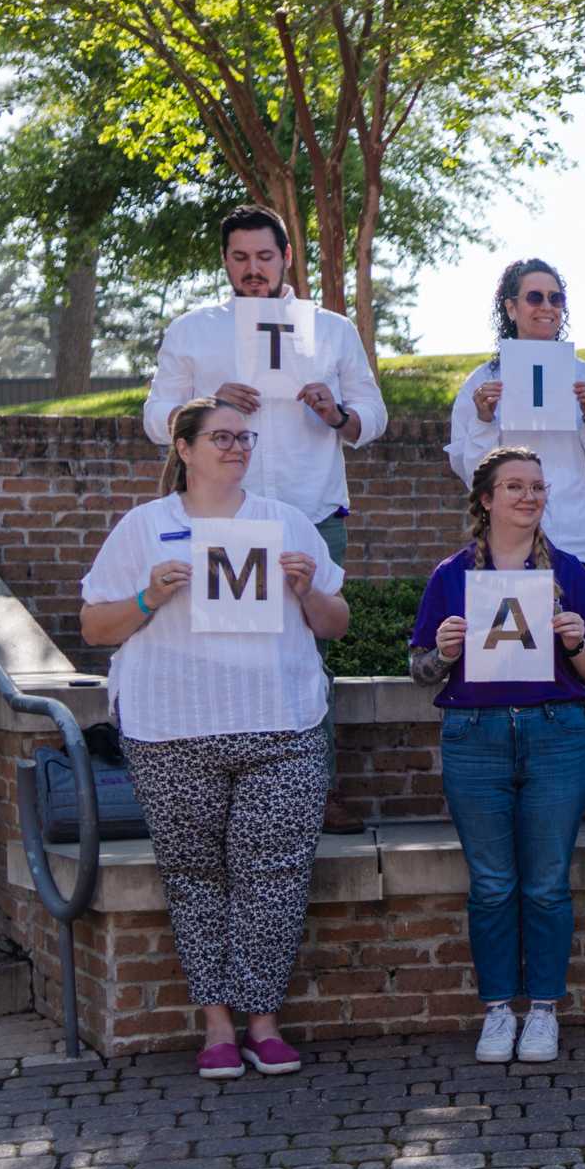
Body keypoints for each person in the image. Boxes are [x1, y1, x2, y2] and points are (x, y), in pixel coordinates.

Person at [79, 396, 349, 1078]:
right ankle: (217, 1025)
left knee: (277, 878)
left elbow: (335, 622)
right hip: (173, 727)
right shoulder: (145, 527)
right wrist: (147, 598)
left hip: (280, 722)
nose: (237, 447)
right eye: (222, 437)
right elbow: (94, 628)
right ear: (185, 448)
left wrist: (309, 590)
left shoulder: (285, 522)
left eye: (245, 437)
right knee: (195, 879)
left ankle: (264, 1019)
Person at [143, 203, 387, 837]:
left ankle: (317, 785)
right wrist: (212, 403)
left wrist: (336, 413)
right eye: (240, 258)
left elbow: (373, 415)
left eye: (265, 257)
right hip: (218, 508)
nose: (253, 270)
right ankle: (217, 789)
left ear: (286, 258)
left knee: (311, 644)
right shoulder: (193, 331)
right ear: (225, 261)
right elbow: (155, 417)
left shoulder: (330, 330)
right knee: (218, 644)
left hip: (308, 507)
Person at [409, 448, 585, 1064]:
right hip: (475, 737)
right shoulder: (450, 575)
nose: (529, 497)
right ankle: (498, 1010)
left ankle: (545, 1009)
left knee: (548, 884)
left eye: (538, 486)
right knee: (494, 885)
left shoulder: (571, 572)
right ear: (486, 499)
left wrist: (576, 641)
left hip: (556, 733)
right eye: (515, 487)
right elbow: (420, 671)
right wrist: (443, 653)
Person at [446, 259, 585, 577]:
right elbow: (472, 477)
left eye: (555, 298)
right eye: (535, 297)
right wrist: (483, 421)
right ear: (511, 308)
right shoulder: (480, 384)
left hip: (573, 540)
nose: (547, 306)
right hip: (505, 542)